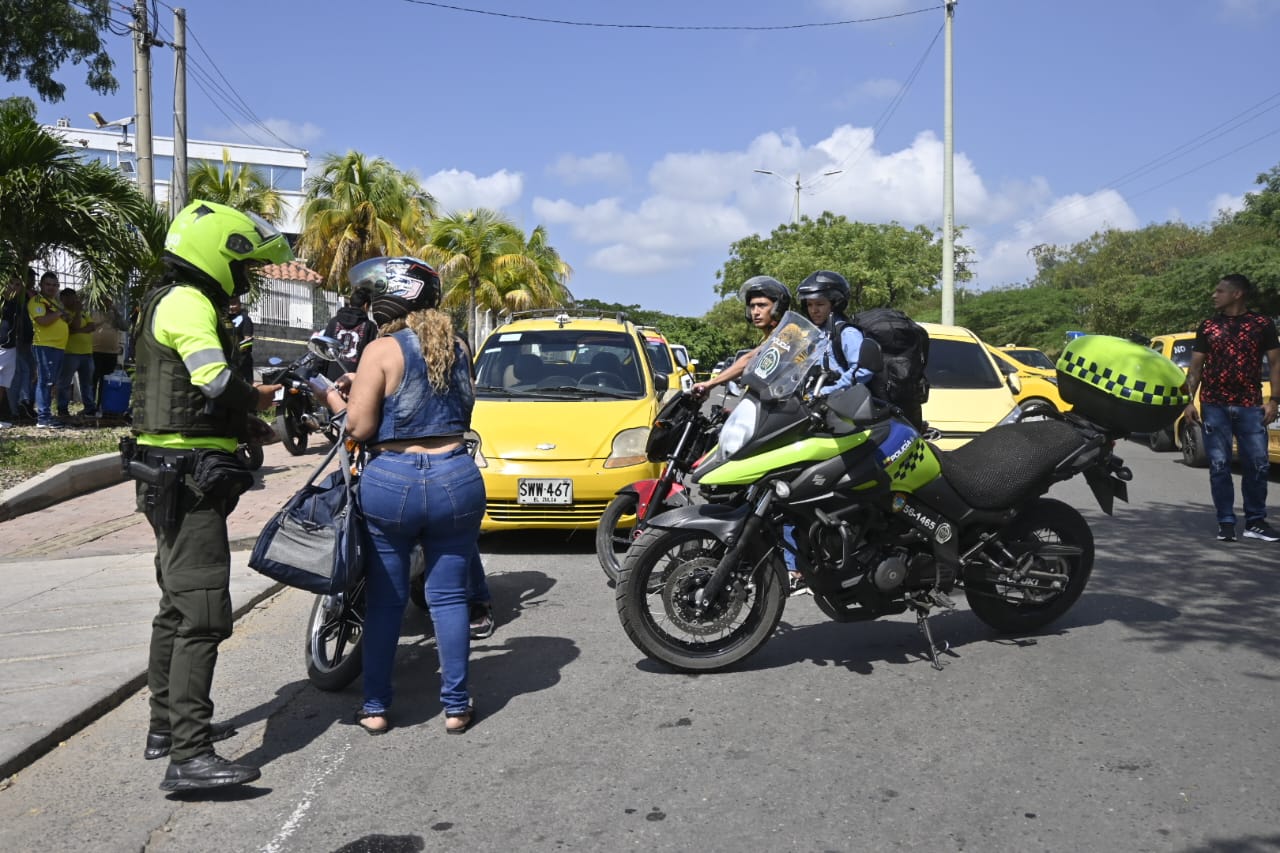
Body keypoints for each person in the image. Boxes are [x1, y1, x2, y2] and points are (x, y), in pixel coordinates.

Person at [124, 199, 289, 791]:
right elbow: (215, 381)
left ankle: (165, 728)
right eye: (242, 267)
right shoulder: (190, 303)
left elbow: (194, 401)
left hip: (167, 470)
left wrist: (241, 426)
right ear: (217, 255)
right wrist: (260, 398)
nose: (244, 280)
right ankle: (189, 756)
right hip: (187, 480)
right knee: (202, 613)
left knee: (174, 606)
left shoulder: (161, 301)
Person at [312, 256, 484, 737]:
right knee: (449, 596)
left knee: (385, 599)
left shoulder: (381, 349)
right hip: (456, 476)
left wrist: (331, 395)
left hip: (393, 481)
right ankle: (455, 706)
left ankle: (375, 707)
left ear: (387, 299)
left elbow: (360, 426)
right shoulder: (459, 347)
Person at [1183, 273, 1280, 543]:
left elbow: (1275, 364)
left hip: (1250, 405)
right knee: (1219, 464)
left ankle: (1256, 521)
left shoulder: (1262, 325)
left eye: (1220, 291)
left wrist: (1274, 400)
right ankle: (1226, 521)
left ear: (1237, 294)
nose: (1214, 295)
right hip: (1214, 404)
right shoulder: (1208, 326)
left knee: (1258, 464)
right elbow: (1196, 367)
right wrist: (1189, 401)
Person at [692, 275, 792, 399]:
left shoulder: (789, 332)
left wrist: (710, 383)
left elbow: (749, 360)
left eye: (762, 305)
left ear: (778, 308)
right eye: (752, 306)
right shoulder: (768, 336)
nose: (755, 312)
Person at [796, 270, 872, 396]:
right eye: (809, 305)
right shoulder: (815, 334)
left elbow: (863, 370)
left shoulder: (847, 333)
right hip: (812, 400)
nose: (814, 310)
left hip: (839, 403)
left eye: (820, 304)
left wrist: (827, 391)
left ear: (835, 304)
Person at [28, 271, 70, 428]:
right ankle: (43, 418)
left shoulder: (53, 302)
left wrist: (63, 315)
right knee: (45, 381)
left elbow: (65, 319)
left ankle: (45, 414)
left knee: (50, 382)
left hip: (58, 346)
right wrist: (60, 313)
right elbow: (42, 321)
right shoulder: (37, 301)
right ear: (41, 285)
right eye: (48, 284)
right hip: (45, 345)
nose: (51, 288)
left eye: (55, 285)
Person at [322, 287, 378, 380]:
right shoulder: (370, 327)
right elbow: (372, 358)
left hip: (331, 379)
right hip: (355, 381)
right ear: (365, 305)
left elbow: (324, 351)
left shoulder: (334, 322)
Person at [57, 288, 97, 419]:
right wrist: (78, 313)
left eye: (73, 296)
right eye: (67, 297)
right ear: (62, 299)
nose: (72, 300)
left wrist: (79, 330)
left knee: (87, 383)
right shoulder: (63, 313)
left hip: (87, 353)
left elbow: (92, 327)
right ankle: (62, 408)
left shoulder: (84, 312)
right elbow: (74, 326)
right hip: (70, 353)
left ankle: (90, 408)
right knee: (65, 383)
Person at [91, 296, 125, 411]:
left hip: (111, 353)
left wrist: (115, 312)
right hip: (95, 351)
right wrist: (104, 320)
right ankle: (90, 406)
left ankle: (102, 405)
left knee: (105, 381)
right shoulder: (93, 311)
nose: (107, 303)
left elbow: (125, 326)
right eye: (104, 300)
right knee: (93, 380)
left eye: (109, 301)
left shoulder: (114, 314)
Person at [227, 296, 254, 382]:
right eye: (229, 304)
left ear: (239, 305)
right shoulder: (226, 319)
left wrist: (238, 355)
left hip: (242, 360)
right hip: (228, 360)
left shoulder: (245, 319)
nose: (231, 307)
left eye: (234, 304)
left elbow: (248, 340)